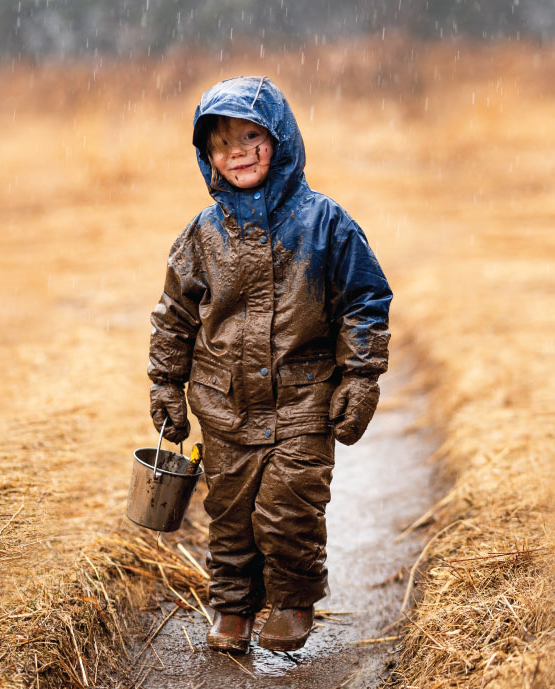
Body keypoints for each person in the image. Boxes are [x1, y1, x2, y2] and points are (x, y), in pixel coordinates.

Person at [147, 76, 392, 653]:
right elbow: (174, 316)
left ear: (280, 139)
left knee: (290, 507)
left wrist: (359, 376)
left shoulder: (327, 224)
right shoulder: (202, 236)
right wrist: (165, 383)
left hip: (304, 398)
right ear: (206, 157)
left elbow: (365, 300)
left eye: (250, 136)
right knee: (230, 513)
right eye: (221, 143)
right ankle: (233, 607)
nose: (237, 152)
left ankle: (292, 600)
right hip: (223, 402)